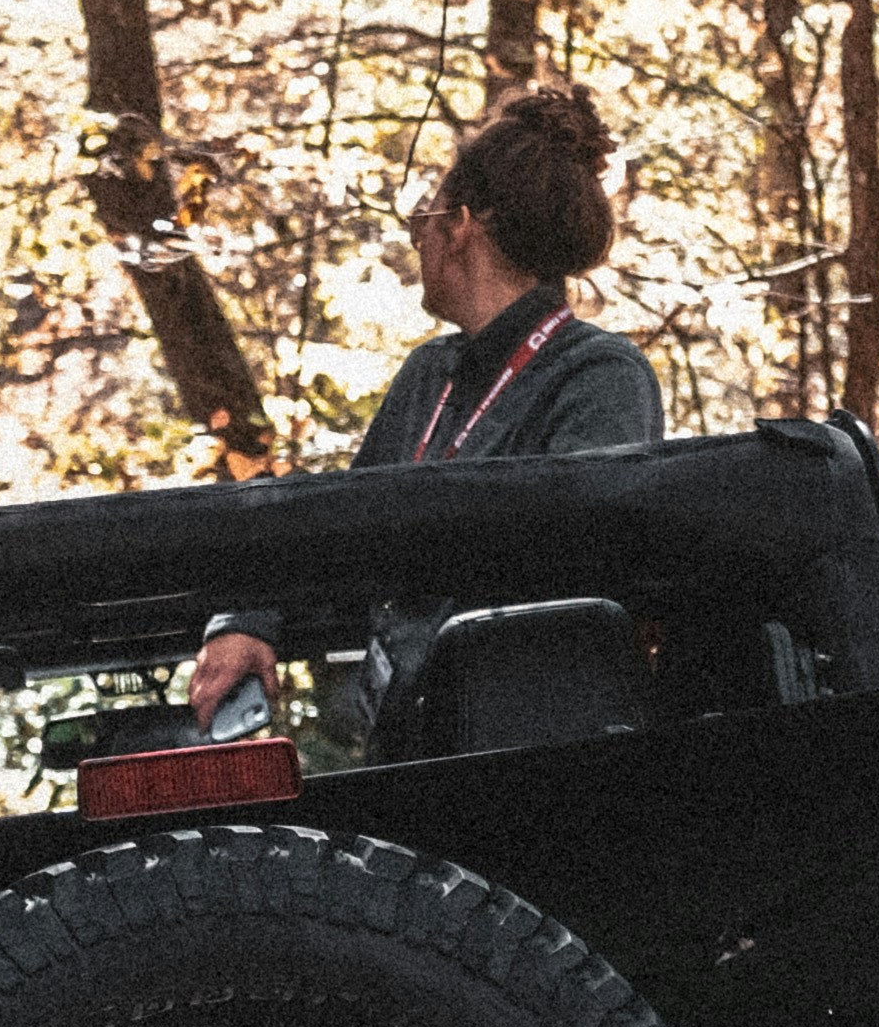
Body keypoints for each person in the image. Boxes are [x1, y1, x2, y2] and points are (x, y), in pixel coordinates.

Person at [184, 80, 664, 741]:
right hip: (411, 737)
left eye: (423, 220)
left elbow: (575, 575)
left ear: (461, 224)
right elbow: (338, 523)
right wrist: (245, 618)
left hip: (524, 750)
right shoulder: (429, 375)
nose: (418, 244)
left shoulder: (599, 376)